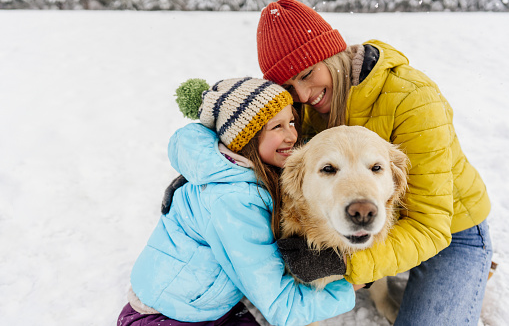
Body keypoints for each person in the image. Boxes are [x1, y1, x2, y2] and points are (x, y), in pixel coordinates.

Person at [256, 0, 492, 325]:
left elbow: (431, 225)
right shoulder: (304, 107)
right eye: (289, 87)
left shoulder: (412, 97)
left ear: (332, 53)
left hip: (449, 228)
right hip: (374, 221)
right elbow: (260, 138)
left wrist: (343, 265)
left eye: (308, 74)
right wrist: (214, 168)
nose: (305, 95)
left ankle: (469, 268)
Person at [117, 77, 357, 326]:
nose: (292, 136)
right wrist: (350, 286)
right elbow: (282, 308)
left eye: (292, 122)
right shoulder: (235, 202)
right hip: (164, 316)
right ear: (247, 138)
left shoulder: (256, 169)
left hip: (211, 306)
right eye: (277, 127)